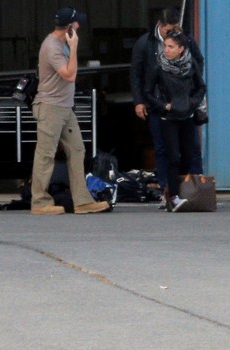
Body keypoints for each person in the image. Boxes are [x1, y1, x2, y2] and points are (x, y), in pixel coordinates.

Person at [29, 7, 110, 215]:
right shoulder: (52, 47)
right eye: (76, 23)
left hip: (65, 107)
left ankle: (82, 200)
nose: (79, 26)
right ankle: (39, 201)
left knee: (77, 150)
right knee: (46, 154)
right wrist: (74, 48)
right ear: (68, 27)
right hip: (50, 107)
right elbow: (69, 75)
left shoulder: (61, 44)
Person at [130, 8, 205, 203]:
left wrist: (191, 99)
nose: (171, 36)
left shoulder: (186, 42)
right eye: (169, 31)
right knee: (165, 149)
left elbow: (199, 67)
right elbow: (137, 74)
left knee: (192, 150)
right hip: (160, 105)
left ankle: (196, 188)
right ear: (160, 26)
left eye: (175, 32)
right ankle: (167, 189)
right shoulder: (145, 43)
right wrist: (140, 101)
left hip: (185, 107)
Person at [144, 29, 206, 212]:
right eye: (165, 46)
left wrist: (191, 103)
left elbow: (201, 87)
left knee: (188, 155)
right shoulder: (159, 67)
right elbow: (148, 92)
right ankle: (172, 196)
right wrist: (164, 106)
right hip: (168, 117)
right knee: (173, 156)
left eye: (171, 47)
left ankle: (176, 190)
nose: (167, 50)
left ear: (181, 49)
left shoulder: (190, 65)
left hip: (186, 115)